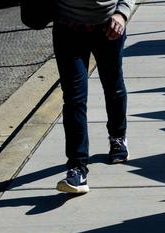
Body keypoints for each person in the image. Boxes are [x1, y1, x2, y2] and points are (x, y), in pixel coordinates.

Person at [54, 0, 135, 194]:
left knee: (113, 87)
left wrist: (122, 13)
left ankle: (118, 137)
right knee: (74, 99)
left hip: (108, 25)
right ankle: (77, 168)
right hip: (68, 26)